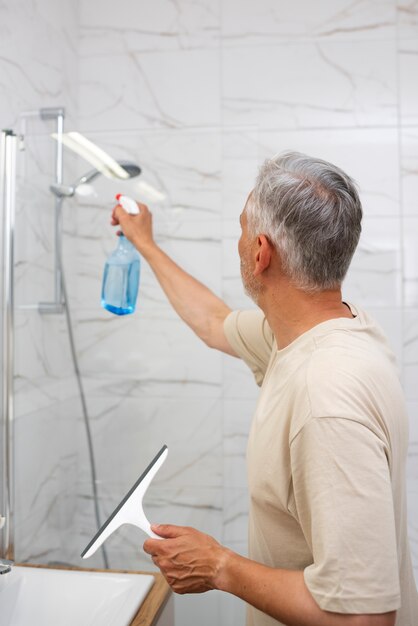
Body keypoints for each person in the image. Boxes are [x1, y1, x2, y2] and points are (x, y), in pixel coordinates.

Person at [112, 152, 418, 626]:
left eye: (240, 228)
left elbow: (367, 620)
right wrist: (144, 243)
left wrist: (220, 567)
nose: (237, 243)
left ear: (261, 252)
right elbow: (214, 323)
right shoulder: (326, 331)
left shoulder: (325, 399)